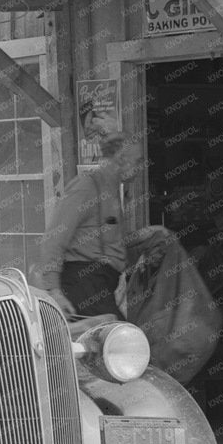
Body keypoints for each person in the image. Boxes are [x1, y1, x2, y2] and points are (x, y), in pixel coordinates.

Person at [39, 132, 142, 332]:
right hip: (83, 283)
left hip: (101, 284)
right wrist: (54, 292)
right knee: (121, 342)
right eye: (137, 161)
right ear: (121, 159)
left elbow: (113, 244)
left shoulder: (112, 190)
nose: (140, 167)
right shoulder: (86, 187)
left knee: (116, 346)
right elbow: (53, 239)